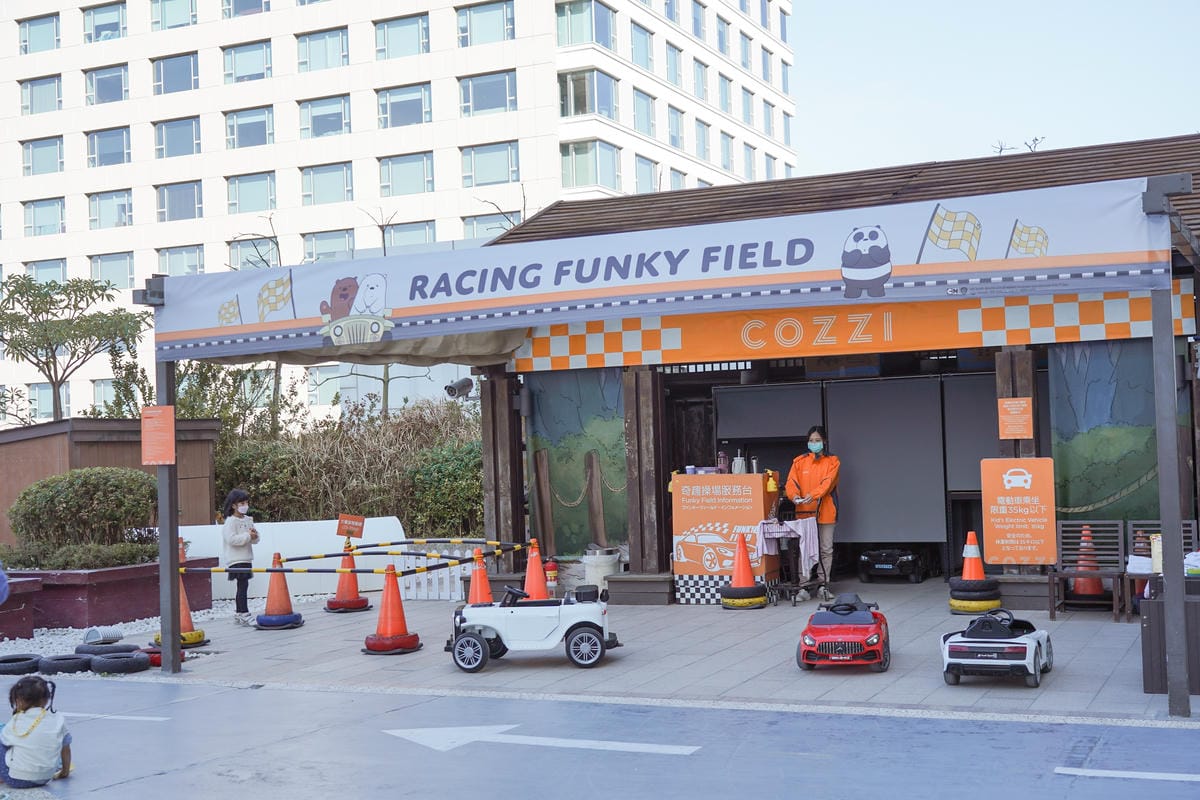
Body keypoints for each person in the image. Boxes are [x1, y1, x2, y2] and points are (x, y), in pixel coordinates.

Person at [785, 425, 841, 602]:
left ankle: (824, 584)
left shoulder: (832, 461)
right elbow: (791, 483)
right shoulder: (799, 462)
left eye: (817, 440)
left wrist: (813, 495)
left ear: (824, 441)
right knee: (805, 548)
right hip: (804, 511)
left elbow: (828, 483)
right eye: (811, 440)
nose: (814, 443)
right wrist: (794, 497)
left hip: (826, 511)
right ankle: (804, 585)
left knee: (826, 549)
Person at [0, 676, 71, 788]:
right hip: (45, 778)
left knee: (2, 740)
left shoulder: (16, 720)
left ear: (19, 701)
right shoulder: (58, 719)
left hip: (16, 779)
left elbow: (5, 742)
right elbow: (66, 748)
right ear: (47, 699)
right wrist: (64, 772)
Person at [222, 488, 260, 626]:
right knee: (242, 585)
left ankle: (239, 613)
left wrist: (254, 536)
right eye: (241, 503)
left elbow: (255, 539)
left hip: (246, 557)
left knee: (243, 585)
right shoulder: (230, 522)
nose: (245, 505)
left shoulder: (248, 520)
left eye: (246, 502)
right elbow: (231, 540)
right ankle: (243, 613)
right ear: (234, 505)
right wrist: (248, 536)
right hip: (236, 559)